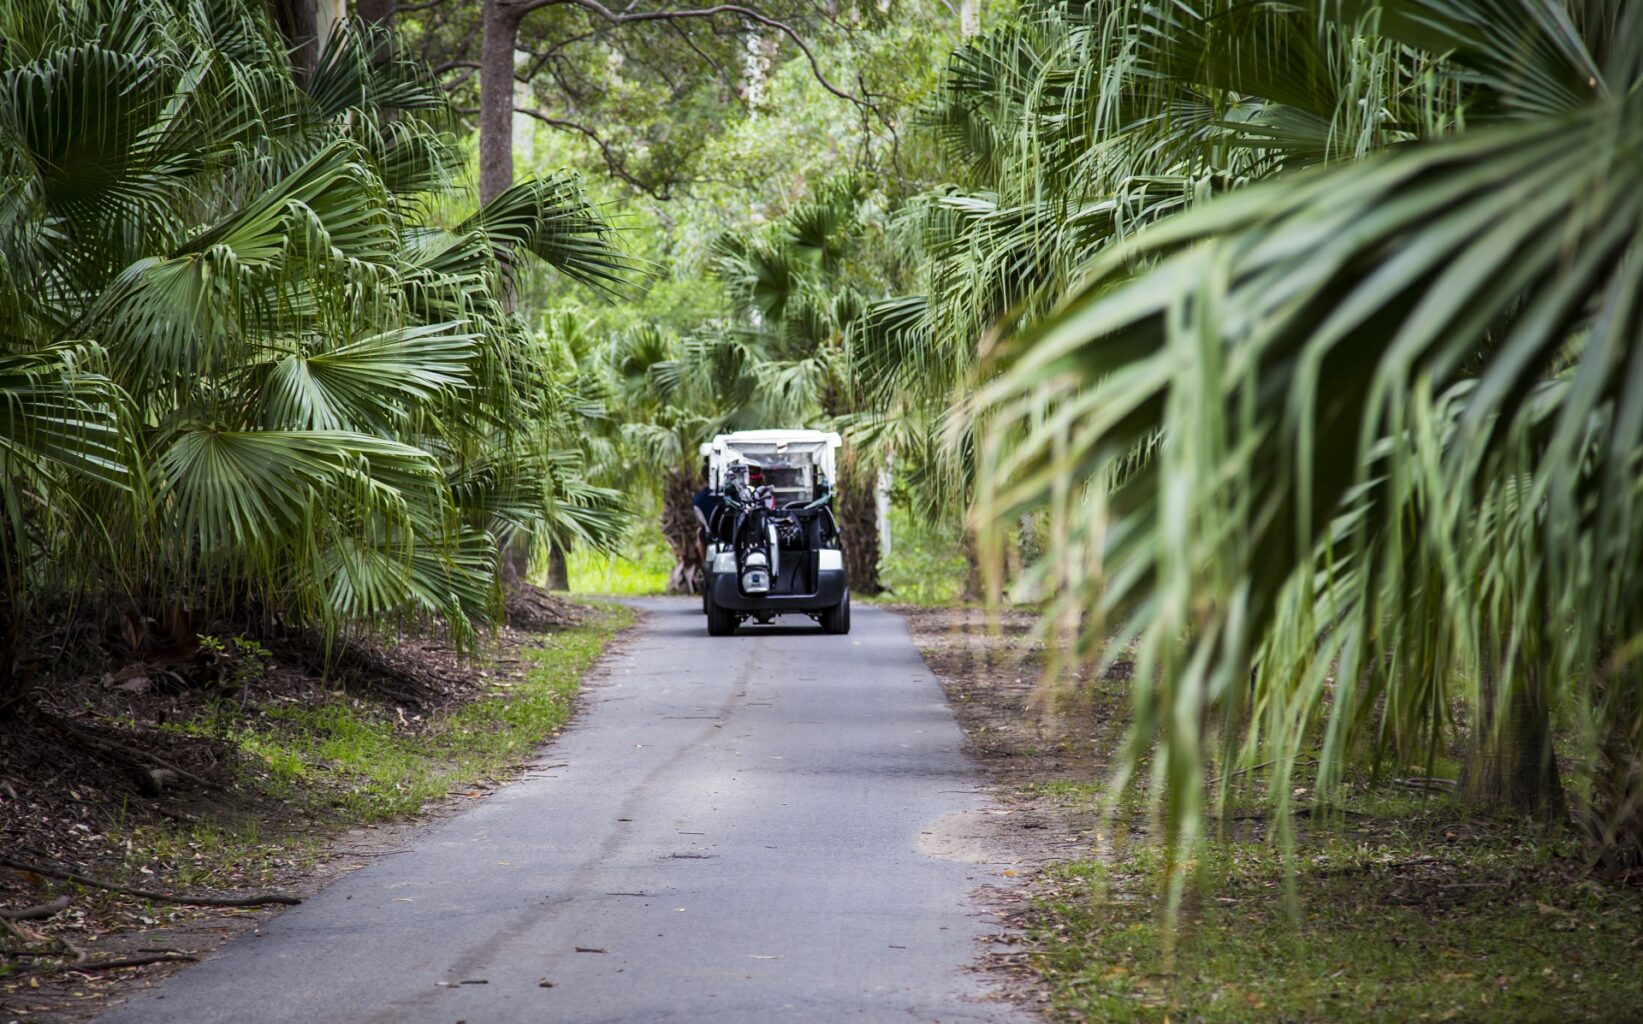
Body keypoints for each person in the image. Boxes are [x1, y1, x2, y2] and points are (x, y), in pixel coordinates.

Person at [691, 461, 723, 568]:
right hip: (731, 533)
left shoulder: (698, 500)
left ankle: (706, 566)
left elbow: (702, 523)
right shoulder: (728, 493)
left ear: (703, 477)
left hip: (712, 536)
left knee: (700, 531)